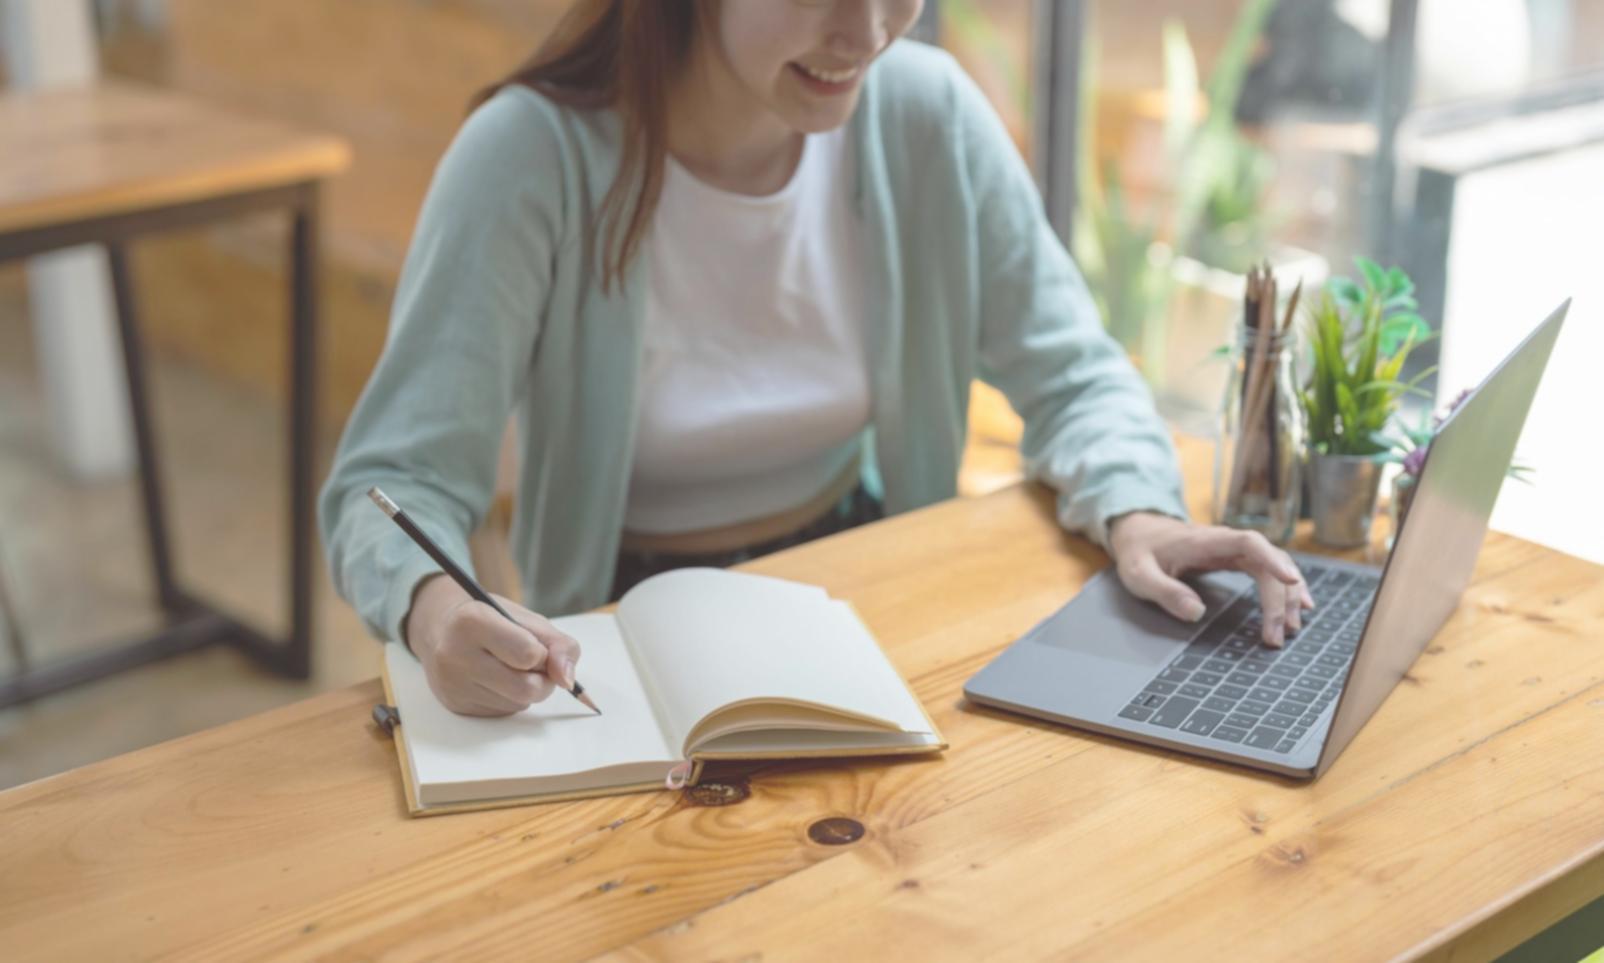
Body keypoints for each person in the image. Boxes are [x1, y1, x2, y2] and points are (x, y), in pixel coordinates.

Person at [319, 0, 1313, 717]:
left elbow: (1074, 376)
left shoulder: (924, 113)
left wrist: (1138, 512)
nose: (868, 30)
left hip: (864, 582)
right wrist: (432, 605)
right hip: (616, 628)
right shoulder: (530, 157)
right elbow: (391, 481)